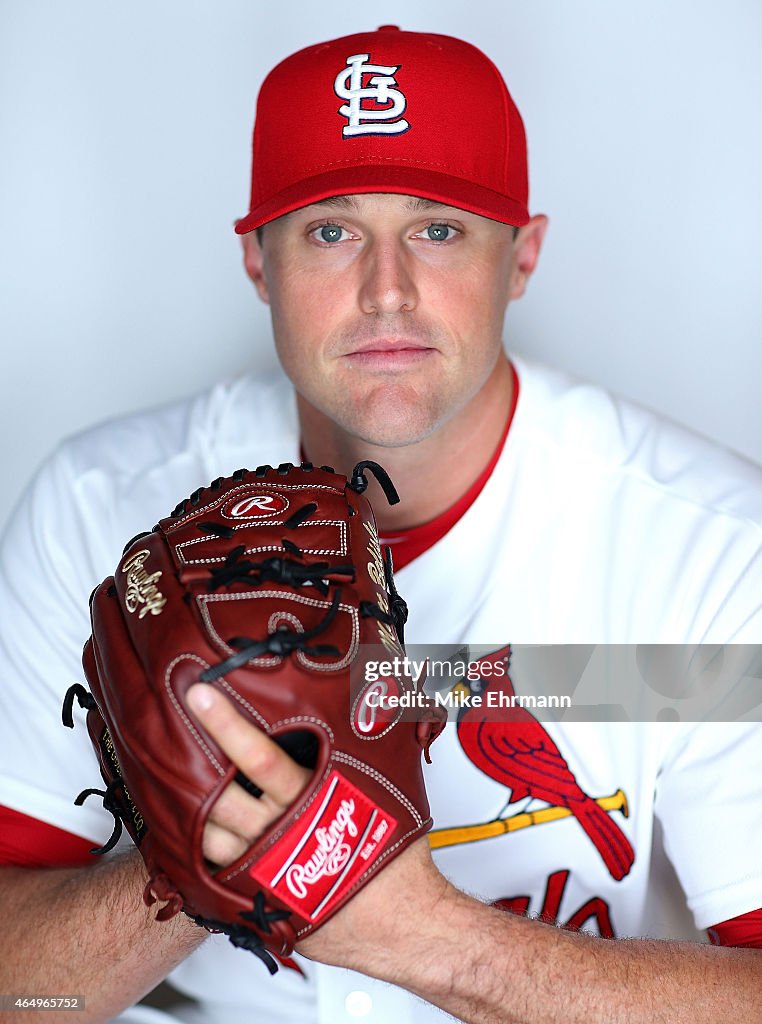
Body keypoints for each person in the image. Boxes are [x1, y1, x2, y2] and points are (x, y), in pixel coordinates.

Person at [1, 24, 761, 1024]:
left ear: (522, 256)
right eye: (330, 229)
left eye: (438, 228)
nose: (386, 289)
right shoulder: (106, 513)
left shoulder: (706, 546)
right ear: (256, 261)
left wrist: (413, 930)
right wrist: (200, 857)